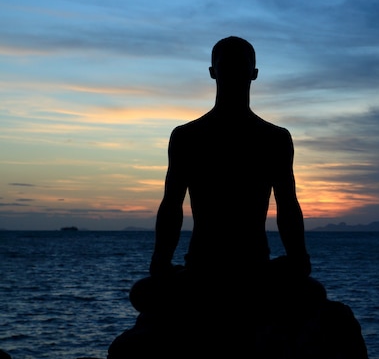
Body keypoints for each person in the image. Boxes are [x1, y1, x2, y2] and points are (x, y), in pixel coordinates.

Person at [108, 36, 314, 358]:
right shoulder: (189, 136)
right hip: (208, 271)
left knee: (146, 294)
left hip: (247, 271)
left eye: (238, 67)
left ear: (252, 74)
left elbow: (288, 204)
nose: (233, 73)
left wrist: (298, 258)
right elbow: (171, 205)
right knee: (142, 293)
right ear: (214, 72)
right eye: (227, 66)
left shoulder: (272, 138)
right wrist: (160, 262)